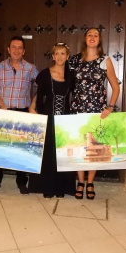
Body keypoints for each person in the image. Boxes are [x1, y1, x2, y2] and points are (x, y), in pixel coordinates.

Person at [69, 27, 120, 200]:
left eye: (96, 35)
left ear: (99, 40)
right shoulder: (75, 60)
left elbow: (115, 86)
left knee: (95, 147)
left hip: (98, 111)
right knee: (79, 147)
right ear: (85, 38)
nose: (92, 37)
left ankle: (90, 182)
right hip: (77, 109)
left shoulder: (105, 61)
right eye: (89, 34)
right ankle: (80, 181)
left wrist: (110, 107)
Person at [0, 36, 39, 195]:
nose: (16, 50)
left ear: (24, 51)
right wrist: (2, 105)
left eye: (20, 47)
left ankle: (22, 182)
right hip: (2, 111)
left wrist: (33, 105)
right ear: (8, 49)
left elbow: (40, 87)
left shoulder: (30, 68)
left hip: (22, 111)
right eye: (13, 47)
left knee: (21, 150)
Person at [28, 43, 76, 198]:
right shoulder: (44, 74)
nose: (60, 56)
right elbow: (38, 93)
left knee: (62, 153)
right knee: (47, 153)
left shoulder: (71, 76)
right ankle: (47, 187)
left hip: (65, 119)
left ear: (67, 56)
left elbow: (75, 97)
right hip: (48, 117)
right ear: (53, 56)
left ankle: (61, 187)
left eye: (63, 53)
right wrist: (32, 106)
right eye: (57, 54)